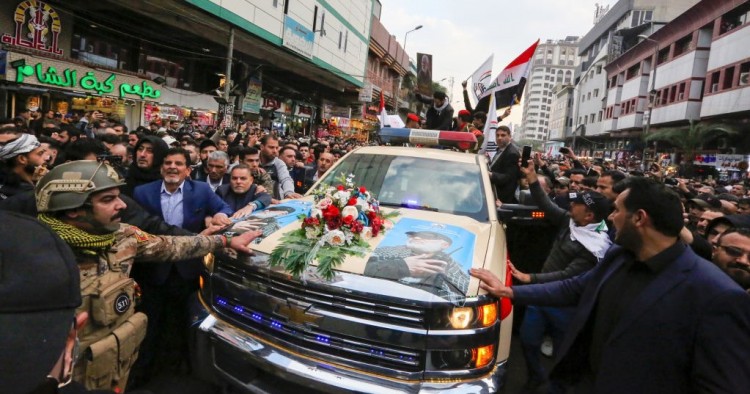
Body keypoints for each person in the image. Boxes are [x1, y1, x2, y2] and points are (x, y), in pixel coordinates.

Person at [471, 177, 750, 393]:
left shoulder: (717, 295)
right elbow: (573, 288)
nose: (611, 218)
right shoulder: (619, 257)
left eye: (616, 211)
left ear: (639, 218)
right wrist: (509, 291)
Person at [33, 161, 260, 391]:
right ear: (73, 209)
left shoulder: (124, 236)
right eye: (107, 200)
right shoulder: (34, 257)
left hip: (115, 365)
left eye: (118, 196)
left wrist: (224, 241)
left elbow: (170, 245)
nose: (122, 205)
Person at [511, 159, 611, 392]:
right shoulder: (570, 222)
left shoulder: (596, 247)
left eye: (577, 205)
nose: (571, 205)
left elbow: (567, 275)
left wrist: (530, 279)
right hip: (541, 298)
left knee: (563, 352)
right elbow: (545, 204)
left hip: (564, 306)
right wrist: (533, 177)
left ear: (589, 216)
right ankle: (536, 375)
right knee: (527, 340)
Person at [364, 230, 469, 300]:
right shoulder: (386, 250)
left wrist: (440, 281)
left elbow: (461, 299)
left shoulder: (451, 264)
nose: (417, 238)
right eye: (413, 235)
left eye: (427, 236)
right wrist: (401, 266)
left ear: (444, 245)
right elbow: (361, 269)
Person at [488, 125, 520, 203]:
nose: (499, 138)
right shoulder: (500, 149)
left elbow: (508, 177)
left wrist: (490, 174)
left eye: (503, 135)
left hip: (502, 198)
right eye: (497, 135)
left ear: (509, 136)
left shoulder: (512, 153)